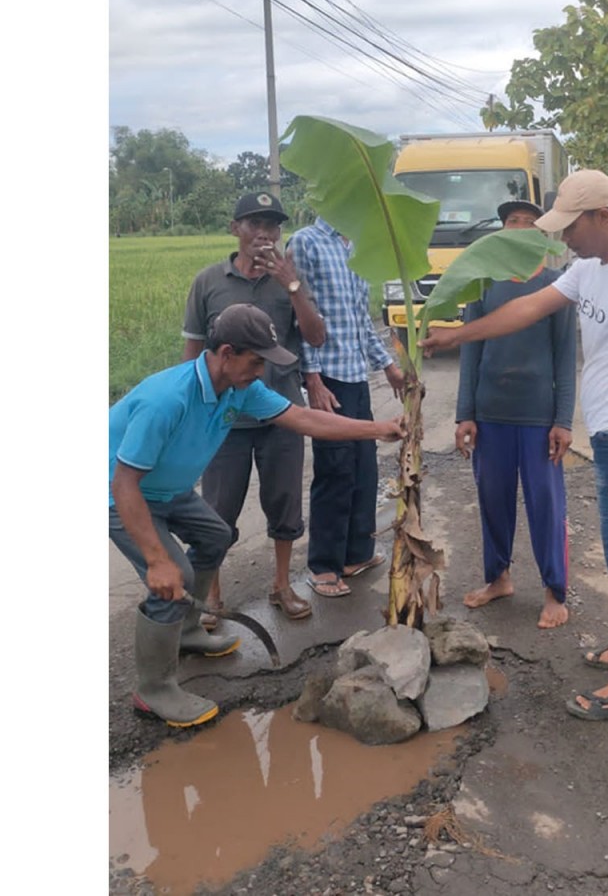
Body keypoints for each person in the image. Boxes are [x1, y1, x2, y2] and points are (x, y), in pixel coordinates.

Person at [421, 169, 608, 722]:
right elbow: (524, 310)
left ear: (603, 217)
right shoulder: (589, 268)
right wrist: (457, 335)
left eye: (572, 226)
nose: (563, 237)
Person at [110, 304, 406, 727]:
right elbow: (124, 484)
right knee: (172, 576)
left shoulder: (239, 389)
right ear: (226, 352)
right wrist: (157, 561)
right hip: (122, 493)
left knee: (214, 535)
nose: (261, 371)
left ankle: (189, 631)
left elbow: (303, 418)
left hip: (167, 490)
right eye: (256, 361)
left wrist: (377, 429)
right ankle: (153, 689)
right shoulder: (167, 399)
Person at [181, 192, 327, 629]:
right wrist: (190, 412)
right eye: (254, 224)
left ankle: (282, 586)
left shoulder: (291, 281)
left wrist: (292, 286)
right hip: (224, 420)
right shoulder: (209, 281)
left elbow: (316, 337)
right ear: (235, 229)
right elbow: (191, 354)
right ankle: (213, 593)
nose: (264, 234)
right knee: (217, 508)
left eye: (272, 226)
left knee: (283, 503)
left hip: (280, 413)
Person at [454, 199, 577, 630]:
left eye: (529, 223)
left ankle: (554, 592)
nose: (521, 227)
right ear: (501, 231)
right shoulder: (482, 283)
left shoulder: (556, 285)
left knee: (546, 504)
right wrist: (464, 413)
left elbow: (565, 357)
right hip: (491, 413)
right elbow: (471, 348)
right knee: (493, 500)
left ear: (541, 234)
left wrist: (564, 419)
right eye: (513, 222)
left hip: (538, 416)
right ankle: (498, 578)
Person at [288, 215, 406, 599]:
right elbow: (300, 315)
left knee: (364, 467)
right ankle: (324, 566)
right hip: (329, 376)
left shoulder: (353, 243)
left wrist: (387, 364)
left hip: (356, 373)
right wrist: (312, 377)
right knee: (335, 472)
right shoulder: (306, 242)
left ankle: (356, 553)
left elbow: (360, 319)